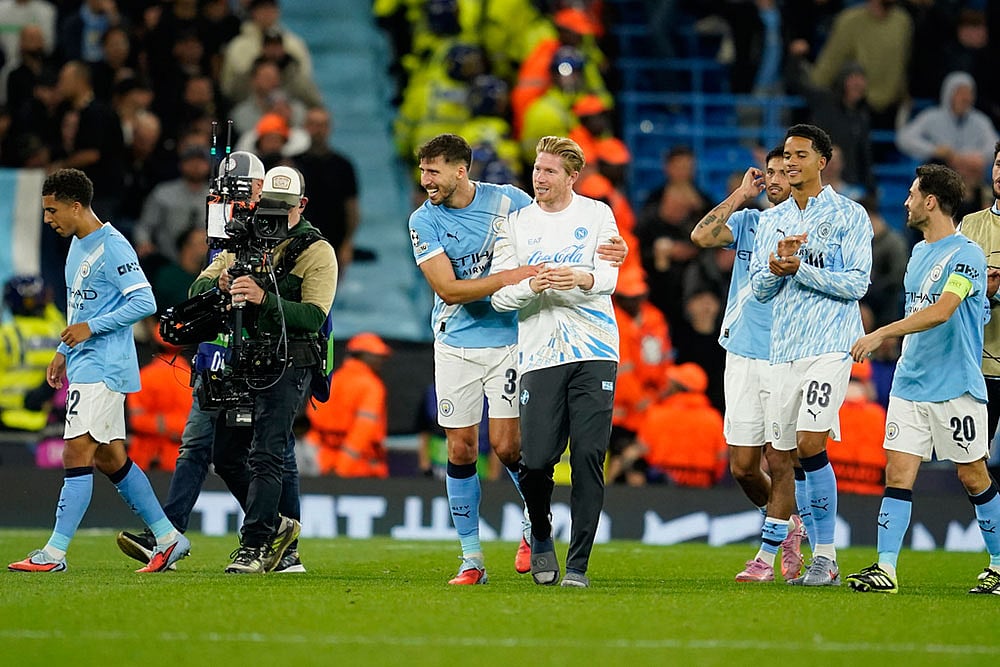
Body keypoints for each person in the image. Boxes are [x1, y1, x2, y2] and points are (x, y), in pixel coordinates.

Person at [408, 133, 626, 585]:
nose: (425, 180)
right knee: (461, 448)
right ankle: (472, 558)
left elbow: (554, 221)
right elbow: (448, 290)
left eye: (433, 171)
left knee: (509, 448)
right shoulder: (423, 220)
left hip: (510, 339)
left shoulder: (508, 202)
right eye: (423, 170)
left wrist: (613, 252)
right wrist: (512, 277)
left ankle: (534, 522)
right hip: (455, 341)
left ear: (460, 171)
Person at [8, 168, 190, 573]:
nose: (47, 219)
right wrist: (62, 350)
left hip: (104, 365)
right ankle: (168, 538)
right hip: (84, 361)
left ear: (76, 206)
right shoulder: (77, 245)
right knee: (110, 457)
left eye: (52, 210)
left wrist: (91, 329)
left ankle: (54, 553)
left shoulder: (114, 246)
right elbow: (81, 307)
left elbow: (144, 302)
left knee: (76, 450)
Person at [845, 164, 1000, 595]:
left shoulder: (967, 254)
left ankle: (999, 563)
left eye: (912, 194)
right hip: (910, 382)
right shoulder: (917, 253)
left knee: (973, 476)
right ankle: (886, 568)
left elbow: (943, 310)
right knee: (897, 473)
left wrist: (881, 333)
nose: (906, 201)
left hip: (955, 385)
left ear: (930, 201)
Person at [189, 164, 337, 574]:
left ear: (301, 205)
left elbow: (314, 316)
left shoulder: (316, 250)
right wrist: (219, 285)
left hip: (289, 361)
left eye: (284, 207)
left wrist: (263, 299)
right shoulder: (242, 240)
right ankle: (279, 531)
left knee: (267, 452)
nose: (275, 214)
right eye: (269, 205)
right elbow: (196, 288)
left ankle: (254, 545)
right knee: (226, 456)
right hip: (242, 357)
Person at [491, 135, 620, 588]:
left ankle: (578, 566)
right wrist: (533, 286)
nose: (539, 177)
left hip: (595, 349)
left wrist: (579, 277)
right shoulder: (515, 225)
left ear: (571, 176)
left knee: (588, 455)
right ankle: (541, 533)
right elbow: (500, 295)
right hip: (540, 351)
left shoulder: (598, 214)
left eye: (549, 171)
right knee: (536, 459)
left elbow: (609, 276)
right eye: (537, 169)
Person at [749, 124, 873, 586]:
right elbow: (759, 291)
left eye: (801, 155)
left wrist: (800, 270)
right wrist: (774, 269)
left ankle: (826, 556)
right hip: (784, 349)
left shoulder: (850, 215)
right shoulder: (771, 221)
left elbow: (857, 283)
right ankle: (812, 552)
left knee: (809, 443)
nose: (791, 162)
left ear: (823, 161)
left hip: (831, 346)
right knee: (782, 454)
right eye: (787, 155)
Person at [690, 146, 807, 583]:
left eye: (783, 172)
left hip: (785, 352)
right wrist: (740, 195)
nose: (774, 179)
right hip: (741, 350)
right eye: (769, 172)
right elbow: (701, 237)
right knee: (742, 466)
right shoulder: (749, 222)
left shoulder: (808, 229)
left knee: (780, 458)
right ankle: (790, 525)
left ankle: (765, 556)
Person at [958, 142, 1000, 447]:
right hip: (979, 370)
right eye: (999, 165)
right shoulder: (969, 226)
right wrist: (980, 291)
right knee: (972, 462)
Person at [306, 332, 390, 478]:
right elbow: (362, 430)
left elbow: (312, 424)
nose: (381, 360)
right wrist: (342, 468)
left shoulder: (332, 380)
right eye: (377, 356)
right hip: (361, 468)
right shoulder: (371, 386)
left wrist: (315, 462)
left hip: (322, 465)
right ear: (362, 356)